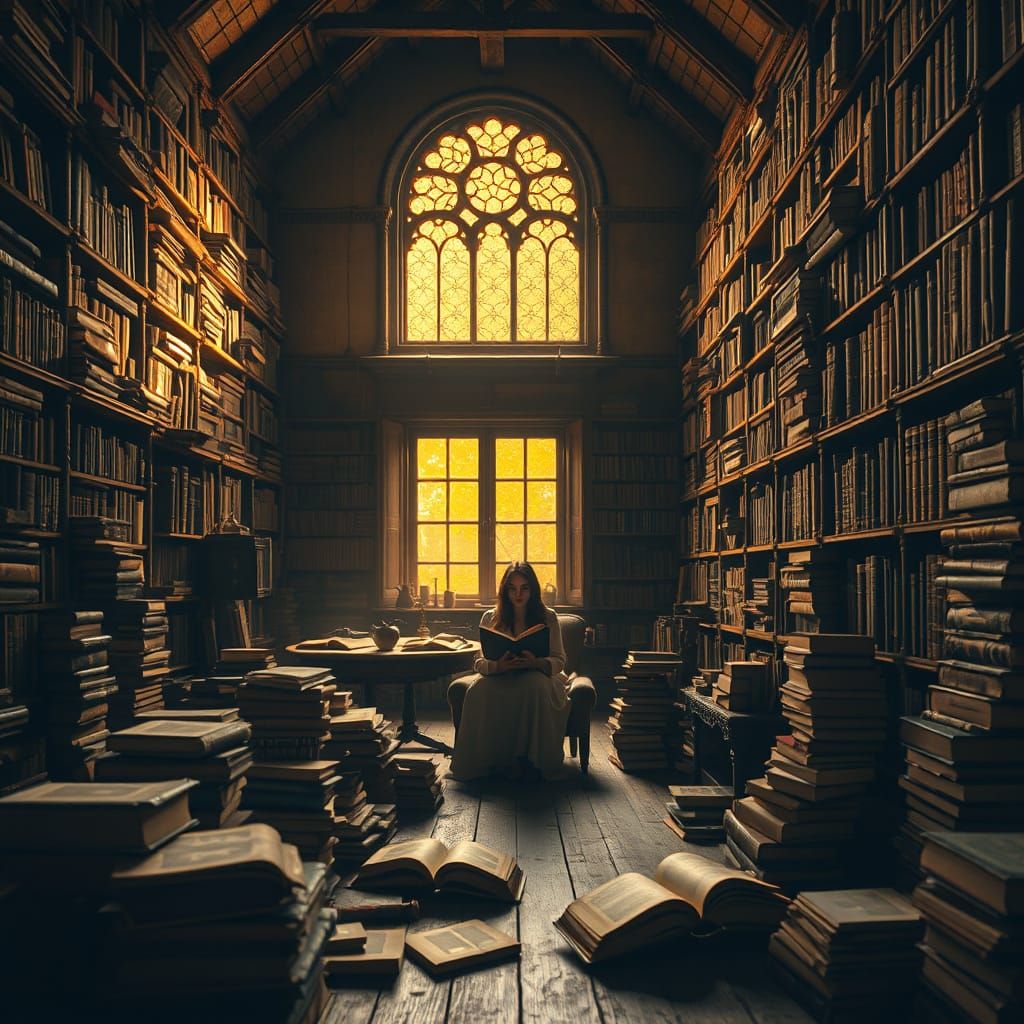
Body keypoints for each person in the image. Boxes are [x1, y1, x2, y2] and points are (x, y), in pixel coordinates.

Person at [448, 561, 569, 781]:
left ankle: (532, 763)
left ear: (533, 590)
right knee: (477, 690)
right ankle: (489, 762)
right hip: (502, 673)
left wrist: (536, 663)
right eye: (512, 588)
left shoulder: (548, 617)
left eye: (524, 588)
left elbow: (560, 660)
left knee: (534, 687)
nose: (518, 594)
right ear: (505, 591)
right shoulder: (490, 617)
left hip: (538, 675)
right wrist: (497, 666)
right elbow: (478, 661)